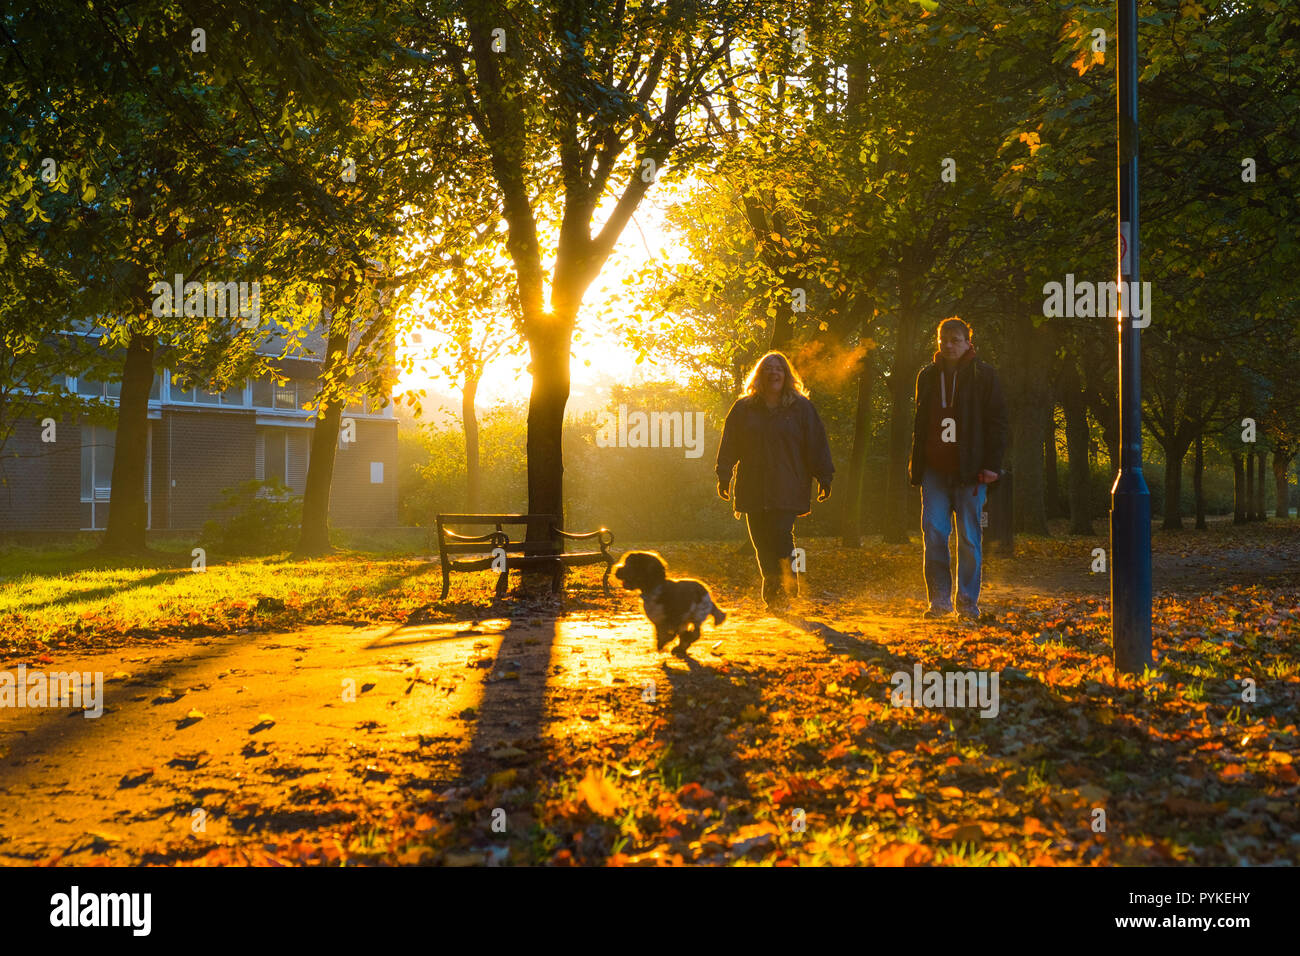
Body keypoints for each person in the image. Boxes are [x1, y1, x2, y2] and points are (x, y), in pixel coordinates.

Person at [716, 351, 834, 611]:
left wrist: (824, 476)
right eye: (768, 368)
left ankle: (786, 586)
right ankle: (774, 596)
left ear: (786, 375)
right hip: (753, 486)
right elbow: (729, 444)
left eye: (779, 368)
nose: (774, 372)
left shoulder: (802, 408)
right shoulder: (743, 409)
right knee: (761, 542)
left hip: (787, 484)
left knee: (781, 535)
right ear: (759, 376)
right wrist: (724, 475)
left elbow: (816, 444)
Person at [908, 317, 1008, 620]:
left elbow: (998, 423)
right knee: (934, 534)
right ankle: (938, 602)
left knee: (968, 537)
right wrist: (917, 465)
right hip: (935, 471)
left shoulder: (985, 375)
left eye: (955, 339)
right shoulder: (926, 375)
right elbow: (920, 423)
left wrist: (992, 466)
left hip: (971, 472)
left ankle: (967, 603)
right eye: (943, 339)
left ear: (968, 342)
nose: (948, 344)